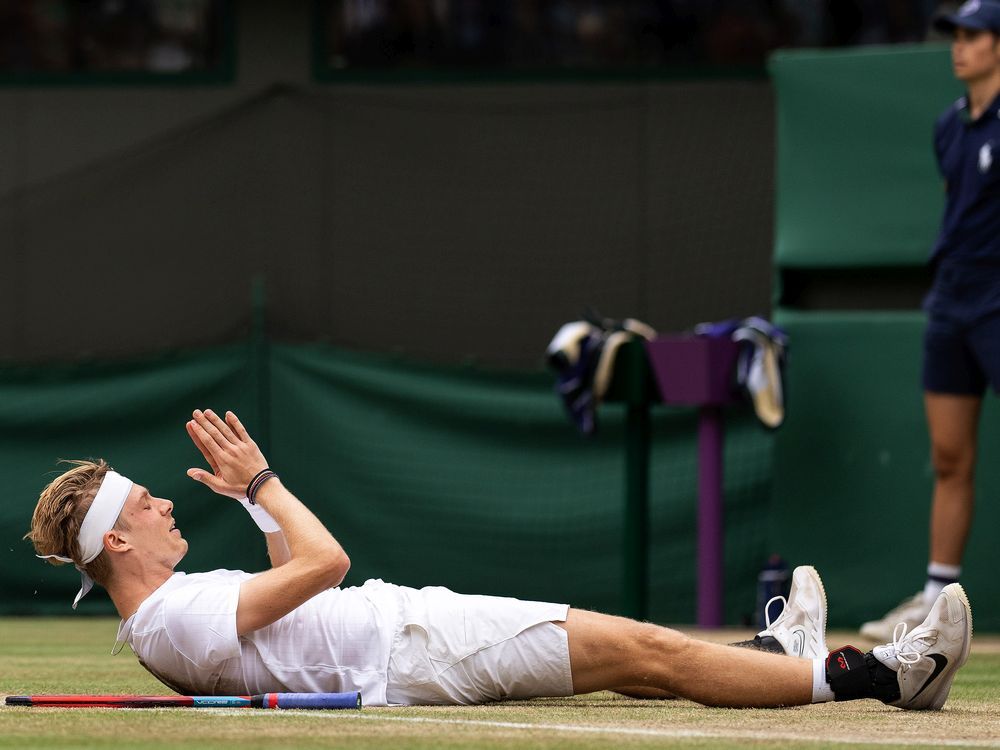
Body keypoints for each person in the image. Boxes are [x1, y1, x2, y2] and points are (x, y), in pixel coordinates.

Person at [28, 408, 970, 710]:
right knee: (643, 648)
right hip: (412, 649)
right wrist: (266, 480)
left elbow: (287, 582)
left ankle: (779, 661)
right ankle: (876, 678)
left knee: (625, 658)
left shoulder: (170, 611)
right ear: (116, 540)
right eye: (146, 505)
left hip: (409, 636)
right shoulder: (173, 617)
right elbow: (326, 563)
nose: (162, 504)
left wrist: (249, 502)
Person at [861, 0, 1000, 641]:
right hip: (951, 304)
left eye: (973, 35)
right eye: (956, 35)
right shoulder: (949, 126)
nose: (959, 46)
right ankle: (934, 595)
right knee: (949, 456)